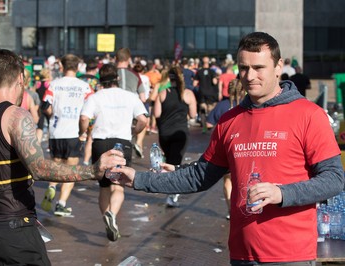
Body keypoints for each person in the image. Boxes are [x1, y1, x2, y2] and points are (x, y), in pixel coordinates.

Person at [114, 32, 344, 265]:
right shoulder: (229, 120)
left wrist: (281, 193)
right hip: (241, 254)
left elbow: (334, 179)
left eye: (258, 67)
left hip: (290, 255)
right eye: (244, 68)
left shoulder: (308, 115)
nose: (250, 76)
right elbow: (199, 176)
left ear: (278, 66)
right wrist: (138, 179)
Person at [0, 49, 125, 265]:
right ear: (20, 78)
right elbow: (39, 169)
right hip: (12, 226)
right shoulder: (15, 116)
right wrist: (93, 170)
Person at [79, 64, 147, 241]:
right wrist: (134, 132)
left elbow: (84, 117)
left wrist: (83, 132)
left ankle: (106, 217)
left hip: (101, 143)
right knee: (118, 185)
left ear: (100, 80)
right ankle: (113, 214)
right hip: (122, 143)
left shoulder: (96, 97)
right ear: (117, 78)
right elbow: (143, 119)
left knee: (103, 187)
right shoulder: (130, 96)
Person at [41, 54, 93, 216]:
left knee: (56, 166)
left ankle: (51, 187)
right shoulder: (84, 87)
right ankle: (61, 204)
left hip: (56, 131)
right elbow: (89, 109)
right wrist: (84, 130)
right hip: (73, 132)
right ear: (78, 68)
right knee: (71, 171)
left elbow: (45, 106)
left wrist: (53, 115)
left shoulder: (54, 85)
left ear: (62, 67)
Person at [153, 65, 196, 207]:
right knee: (175, 163)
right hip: (181, 133)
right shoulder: (188, 94)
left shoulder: (163, 93)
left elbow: (157, 114)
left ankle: (169, 190)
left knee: (170, 160)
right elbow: (193, 115)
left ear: (168, 79)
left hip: (164, 133)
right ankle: (172, 193)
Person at [206, 79, 245, 220]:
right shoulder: (247, 105)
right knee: (243, 179)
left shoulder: (222, 105)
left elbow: (208, 123)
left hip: (226, 149)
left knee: (228, 180)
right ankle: (242, 207)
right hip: (245, 149)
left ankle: (231, 209)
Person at [193, 56, 219, 133]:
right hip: (211, 93)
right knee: (211, 110)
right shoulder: (212, 71)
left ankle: (204, 127)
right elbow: (215, 82)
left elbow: (194, 83)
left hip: (202, 93)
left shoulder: (199, 71)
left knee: (202, 111)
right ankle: (210, 124)